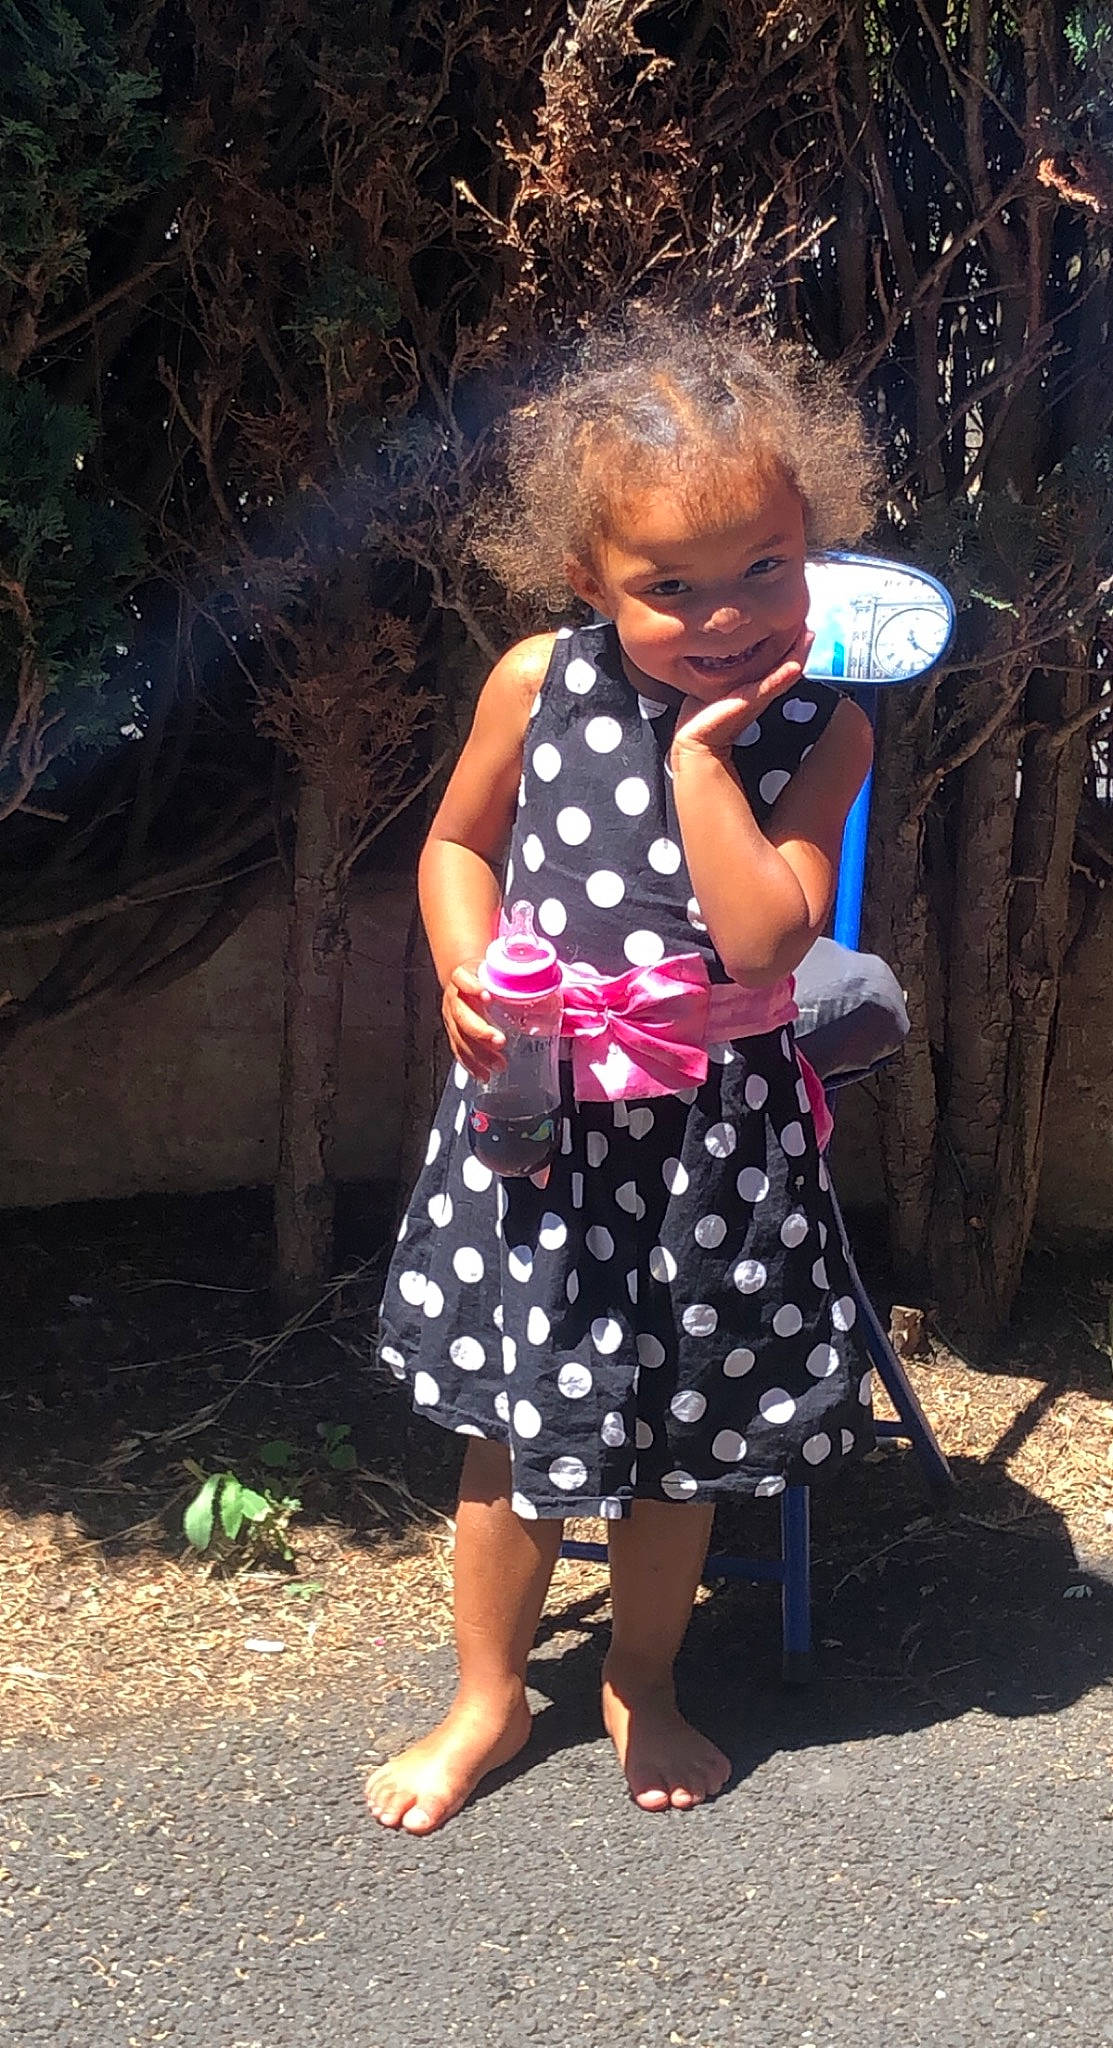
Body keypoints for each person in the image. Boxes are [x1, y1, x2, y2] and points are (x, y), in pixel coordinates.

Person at [369, 313, 879, 1833]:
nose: (722, 617)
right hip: (542, 1122)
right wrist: (466, 971)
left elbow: (762, 943)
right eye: (670, 588)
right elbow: (456, 844)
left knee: (679, 1450)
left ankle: (641, 1682)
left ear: (809, 548)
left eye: (761, 571)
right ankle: (485, 1694)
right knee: (508, 1435)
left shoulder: (818, 730)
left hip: (710, 1151)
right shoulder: (533, 682)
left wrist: (701, 761)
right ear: (586, 578)